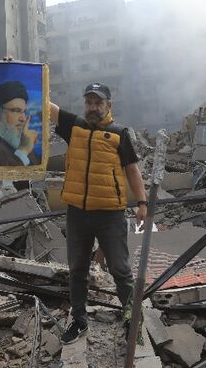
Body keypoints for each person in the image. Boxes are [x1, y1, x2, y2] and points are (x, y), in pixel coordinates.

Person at [49, 83, 147, 345]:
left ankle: (131, 316)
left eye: (98, 102)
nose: (93, 107)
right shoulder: (75, 126)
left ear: (108, 105)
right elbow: (46, 106)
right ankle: (79, 320)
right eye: (89, 102)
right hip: (78, 214)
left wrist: (142, 203)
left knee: (120, 269)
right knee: (77, 269)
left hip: (110, 214)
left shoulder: (118, 134)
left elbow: (133, 170)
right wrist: (16, 72)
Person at [0, 80, 39, 166]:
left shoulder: (20, 138)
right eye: (16, 111)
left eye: (24, 112)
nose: (23, 119)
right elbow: (2, 178)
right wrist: (23, 151)